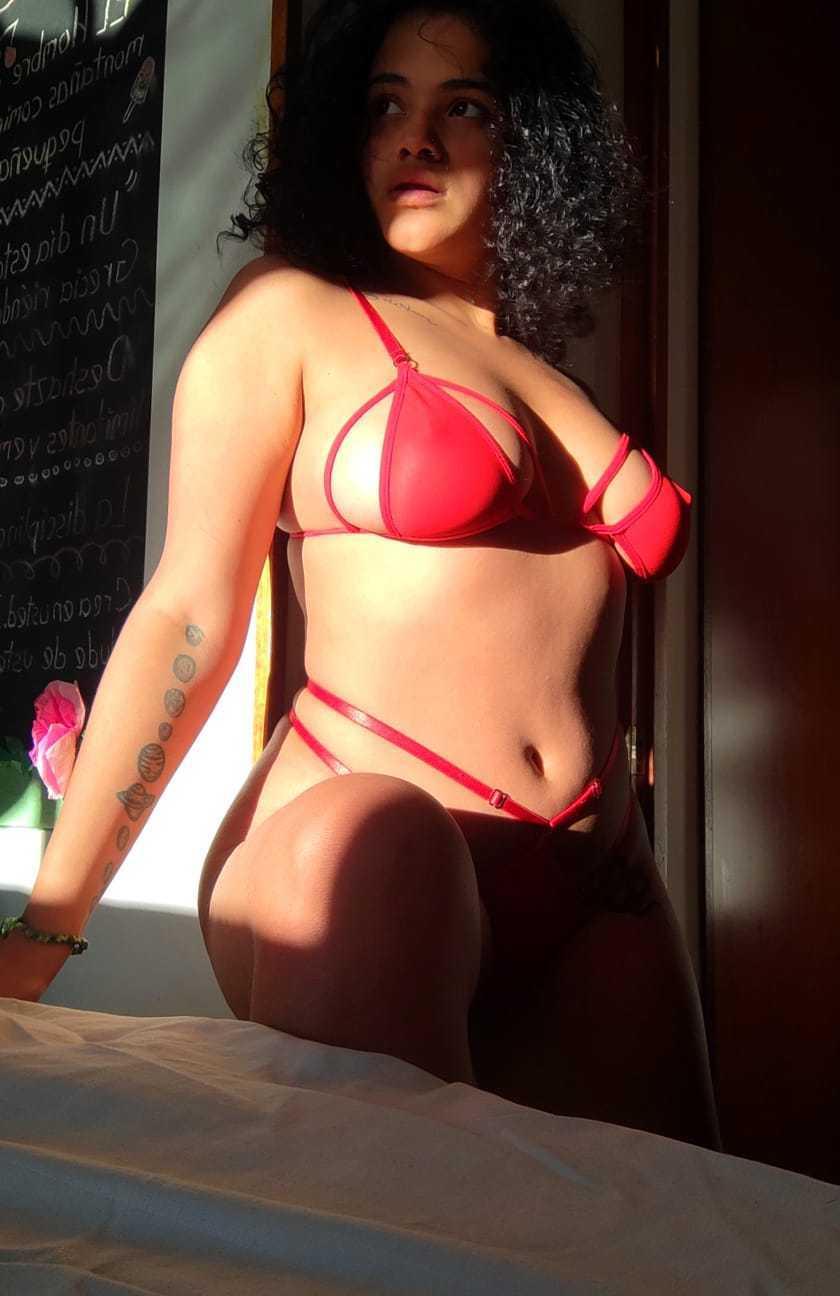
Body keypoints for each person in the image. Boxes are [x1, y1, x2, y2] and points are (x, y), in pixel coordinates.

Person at [0, 0, 721, 1150]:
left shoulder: (553, 366)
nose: (414, 137)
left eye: (461, 107)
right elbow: (188, 613)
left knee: (678, 1225)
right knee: (402, 1211)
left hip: (593, 874)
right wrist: (46, 929)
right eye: (385, 105)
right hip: (363, 842)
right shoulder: (292, 312)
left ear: (532, 145)